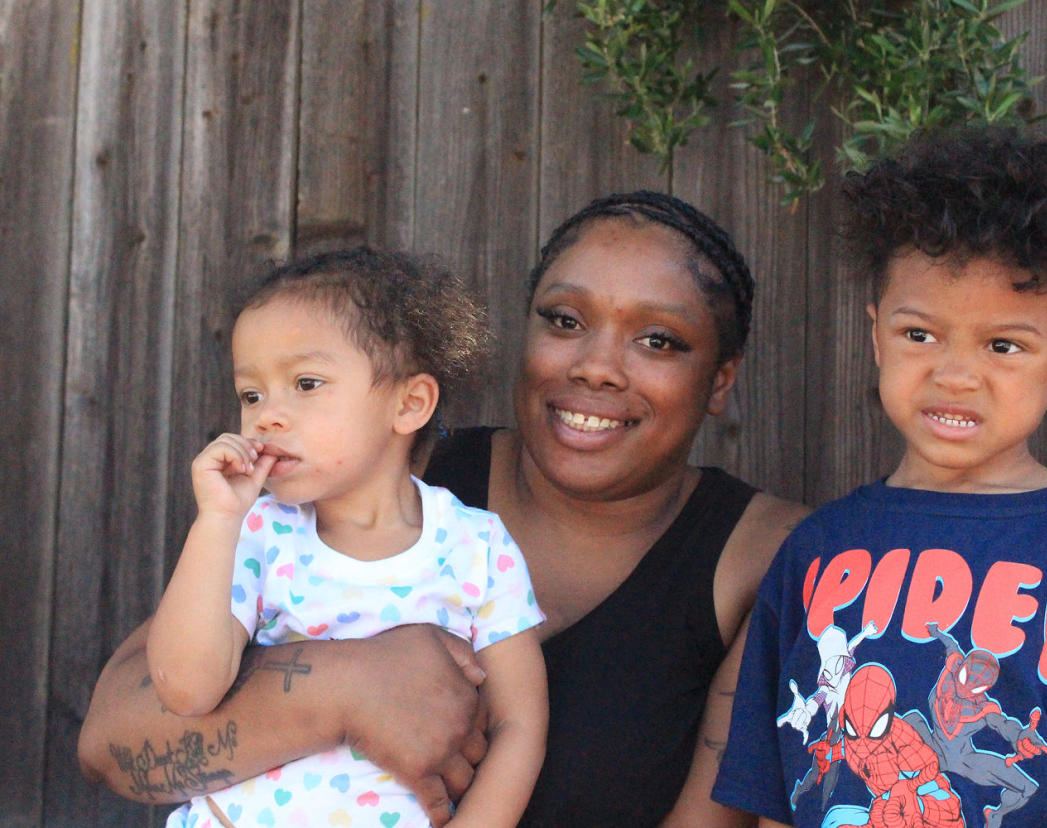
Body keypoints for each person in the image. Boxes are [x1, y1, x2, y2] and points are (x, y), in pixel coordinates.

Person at [78, 191, 812, 827]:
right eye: (563, 320)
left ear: (720, 381)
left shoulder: (768, 559)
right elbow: (113, 743)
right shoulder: (374, 479)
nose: (594, 364)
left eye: (658, 339)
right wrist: (346, 687)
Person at [711, 129, 1047, 827]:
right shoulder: (816, 547)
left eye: (1004, 345)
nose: (954, 375)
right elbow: (775, 791)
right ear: (875, 332)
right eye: (919, 334)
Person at [145, 248, 548, 827]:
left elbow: (520, 725)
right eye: (250, 394)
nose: (266, 417)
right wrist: (216, 523)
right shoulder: (257, 533)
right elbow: (185, 690)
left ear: (409, 404)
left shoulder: (479, 548)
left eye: (306, 383)